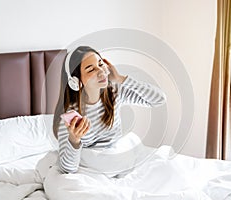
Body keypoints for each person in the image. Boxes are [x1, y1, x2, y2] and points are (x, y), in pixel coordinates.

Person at [53, 46, 166, 174]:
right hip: (92, 170)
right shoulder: (71, 117)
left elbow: (159, 99)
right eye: (91, 69)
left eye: (101, 64)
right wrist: (74, 141)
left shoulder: (115, 93)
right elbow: (68, 169)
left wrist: (121, 79)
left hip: (118, 161)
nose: (101, 72)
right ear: (76, 81)